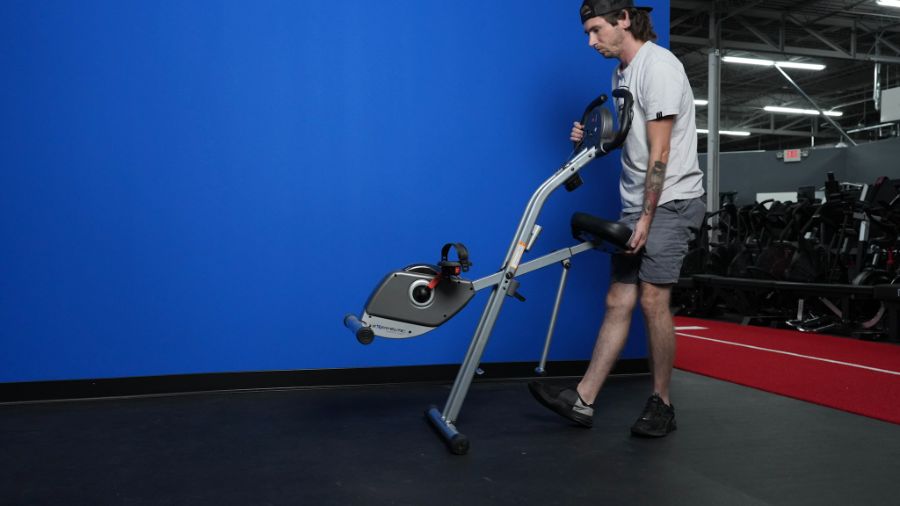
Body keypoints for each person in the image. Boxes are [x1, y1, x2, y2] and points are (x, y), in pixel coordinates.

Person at [529, 0, 706, 437]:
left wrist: (646, 218)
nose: (591, 42)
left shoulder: (659, 67)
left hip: (670, 200)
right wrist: (592, 134)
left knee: (651, 300)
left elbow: (661, 152)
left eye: (595, 30)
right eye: (587, 33)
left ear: (624, 20)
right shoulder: (621, 74)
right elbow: (635, 139)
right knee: (617, 300)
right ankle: (584, 399)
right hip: (637, 203)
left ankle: (661, 404)